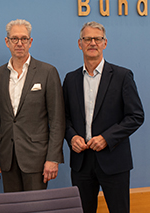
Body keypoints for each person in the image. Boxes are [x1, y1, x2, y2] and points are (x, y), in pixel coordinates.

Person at [63, 21, 144, 213]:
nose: (92, 43)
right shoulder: (70, 79)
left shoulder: (122, 76)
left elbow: (136, 116)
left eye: (97, 39)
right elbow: (63, 118)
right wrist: (72, 136)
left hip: (114, 160)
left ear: (104, 43)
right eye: (87, 39)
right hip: (81, 162)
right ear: (79, 43)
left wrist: (107, 138)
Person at [0, 19, 65, 192]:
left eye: (24, 39)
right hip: (7, 157)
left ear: (30, 42)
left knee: (36, 207)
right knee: (13, 207)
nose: (19, 43)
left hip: (36, 158)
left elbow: (57, 120)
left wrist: (53, 158)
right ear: (7, 41)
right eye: (14, 39)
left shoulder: (47, 72)